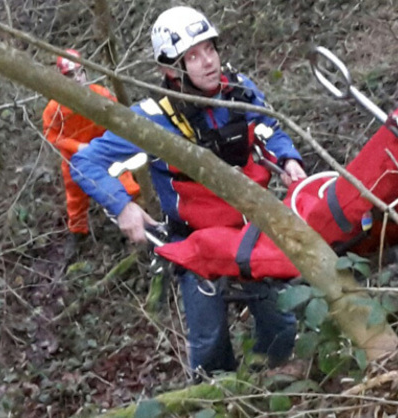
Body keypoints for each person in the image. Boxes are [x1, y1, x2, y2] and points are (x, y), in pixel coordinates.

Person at [70, 7, 307, 377]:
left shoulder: (239, 90)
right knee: (209, 341)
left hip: (250, 232)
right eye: (193, 56)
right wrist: (123, 206)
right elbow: (85, 162)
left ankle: (271, 380)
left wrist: (288, 159)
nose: (208, 62)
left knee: (281, 324)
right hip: (196, 243)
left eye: (209, 49)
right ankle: (217, 393)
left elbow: (268, 128)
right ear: (171, 69)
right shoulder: (152, 118)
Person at [42, 49, 140, 258]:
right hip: (74, 159)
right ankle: (77, 231)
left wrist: (110, 144)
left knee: (125, 184)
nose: (78, 79)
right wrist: (77, 147)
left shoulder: (101, 94)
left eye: (80, 72)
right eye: (71, 75)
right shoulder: (55, 108)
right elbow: (52, 135)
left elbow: (118, 119)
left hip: (105, 152)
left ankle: (132, 221)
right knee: (75, 198)